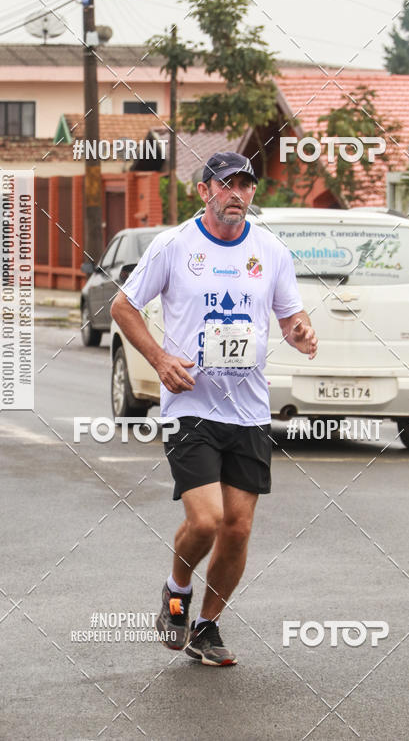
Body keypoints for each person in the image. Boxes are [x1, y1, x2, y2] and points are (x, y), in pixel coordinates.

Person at [110, 152, 317, 666]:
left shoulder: (271, 251)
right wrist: (159, 359)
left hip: (249, 412)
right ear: (204, 191)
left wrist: (302, 332)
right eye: (226, 184)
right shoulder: (174, 246)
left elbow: (290, 317)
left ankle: (206, 627)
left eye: (245, 185)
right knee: (206, 521)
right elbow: (122, 306)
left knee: (238, 528)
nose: (237, 194)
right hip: (191, 407)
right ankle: (176, 592)